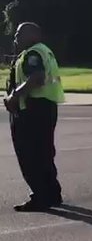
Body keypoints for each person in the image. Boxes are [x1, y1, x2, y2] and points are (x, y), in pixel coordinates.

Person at [5, 22, 64, 211]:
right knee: (44, 153)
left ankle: (40, 197)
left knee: (30, 155)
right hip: (44, 108)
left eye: (19, 34)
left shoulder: (33, 54)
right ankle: (52, 194)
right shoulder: (43, 51)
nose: (15, 38)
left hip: (33, 110)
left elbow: (36, 78)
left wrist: (14, 96)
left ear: (32, 35)